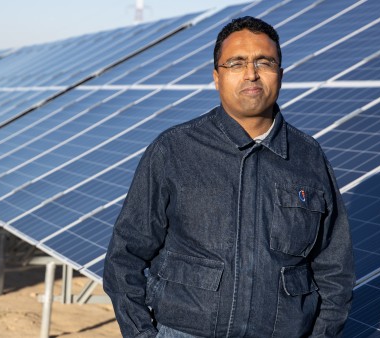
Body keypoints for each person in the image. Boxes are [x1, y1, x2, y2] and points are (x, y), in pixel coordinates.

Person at [103, 16, 355, 338]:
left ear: (280, 73)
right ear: (216, 77)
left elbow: (336, 271)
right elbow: (125, 256)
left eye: (264, 62)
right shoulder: (175, 151)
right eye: (236, 63)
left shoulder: (308, 158)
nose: (251, 73)